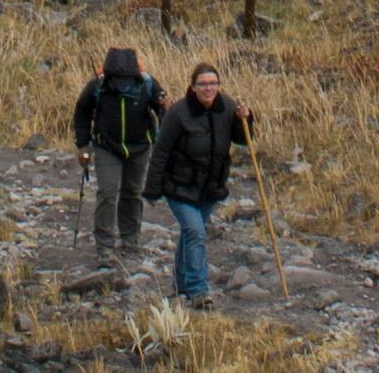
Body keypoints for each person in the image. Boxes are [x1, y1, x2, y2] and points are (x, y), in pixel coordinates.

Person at [141, 60, 248, 303]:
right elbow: (161, 151)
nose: (208, 88)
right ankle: (199, 290)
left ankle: (180, 285)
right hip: (179, 185)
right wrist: (152, 189)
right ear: (193, 86)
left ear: (219, 85)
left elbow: (243, 139)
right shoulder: (178, 112)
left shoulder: (228, 107)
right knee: (196, 232)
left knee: (191, 234)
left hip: (210, 186)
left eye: (213, 83)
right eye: (203, 84)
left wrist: (246, 119)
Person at [64, 47, 163, 271]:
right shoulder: (97, 87)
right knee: (108, 193)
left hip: (140, 147)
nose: (122, 83)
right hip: (107, 147)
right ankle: (105, 246)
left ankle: (130, 239)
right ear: (110, 75)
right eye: (118, 78)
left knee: (133, 192)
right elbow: (82, 112)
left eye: (126, 79)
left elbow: (164, 112)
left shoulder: (148, 85)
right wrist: (82, 144)